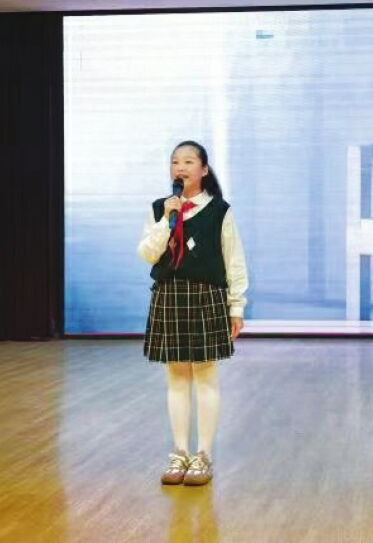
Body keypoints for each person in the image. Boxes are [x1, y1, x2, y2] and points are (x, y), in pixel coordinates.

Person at [137, 140, 248, 486]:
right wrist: (166, 221)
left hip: (206, 296)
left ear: (204, 170)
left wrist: (236, 306)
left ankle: (203, 455)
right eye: (175, 162)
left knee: (204, 375)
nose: (180, 168)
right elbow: (147, 254)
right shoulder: (161, 208)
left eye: (188, 161)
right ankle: (180, 452)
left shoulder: (219, 210)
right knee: (176, 376)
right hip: (169, 295)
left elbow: (234, 260)